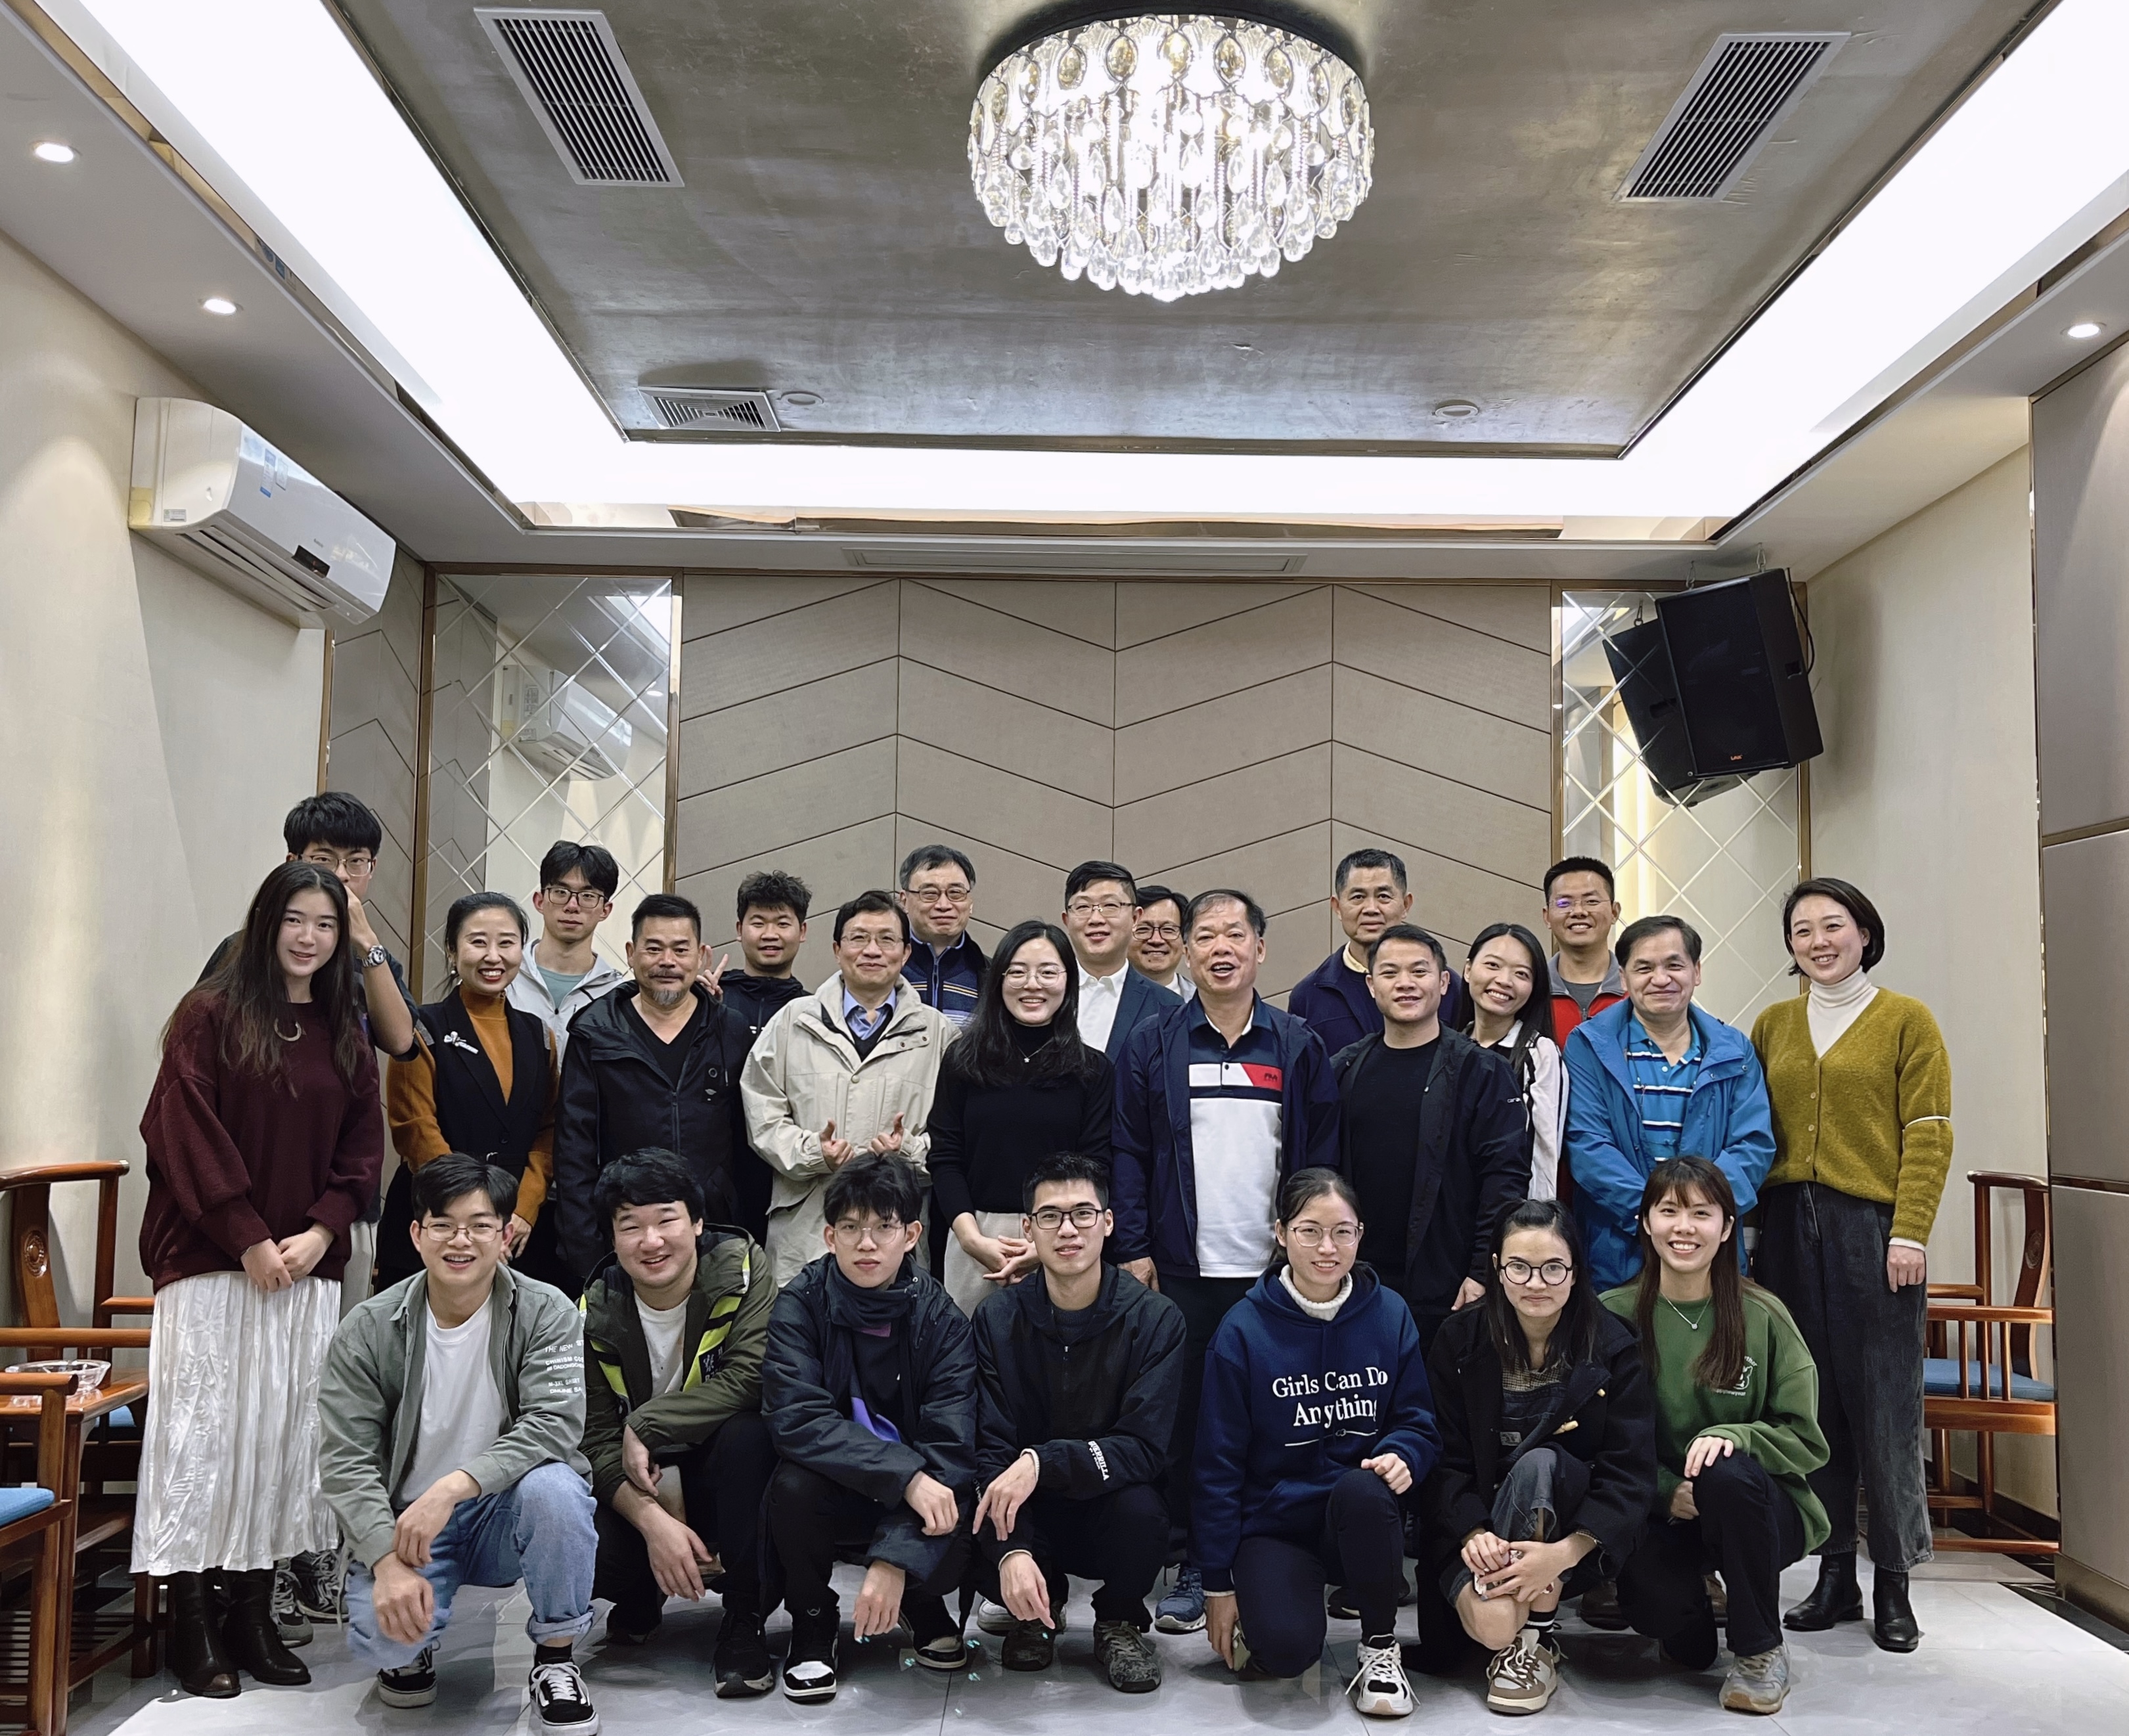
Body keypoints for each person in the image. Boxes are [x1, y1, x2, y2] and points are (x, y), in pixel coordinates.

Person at [137, 860, 386, 1699]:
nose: (309, 938)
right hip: (210, 1263)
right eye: (295, 920)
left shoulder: (344, 1030)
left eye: (326, 924)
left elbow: (362, 1150)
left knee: (279, 1443)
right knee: (204, 1441)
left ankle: (251, 1614)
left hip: (306, 1269)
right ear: (266, 922)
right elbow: (181, 1130)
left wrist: (322, 1230)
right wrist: (246, 1235)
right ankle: (193, 1625)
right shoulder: (208, 1014)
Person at [1110, 887, 1342, 1635]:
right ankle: (1193, 1564)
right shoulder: (1153, 1043)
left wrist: (1310, 1250)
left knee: (1273, 1418)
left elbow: (1318, 1160)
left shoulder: (1297, 1044)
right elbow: (1128, 1152)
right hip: (1180, 1271)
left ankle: (1267, 1552)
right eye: (1205, 935)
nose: (1220, 947)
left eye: (1234, 935)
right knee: (1186, 1422)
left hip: (1271, 1273)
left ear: (1260, 949)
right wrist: (1134, 1247)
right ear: (1186, 951)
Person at [321, 1156, 600, 1732]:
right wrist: (384, 1559)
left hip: (502, 1509)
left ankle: (555, 1658)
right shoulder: (368, 1328)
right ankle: (414, 1643)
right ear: (416, 1234)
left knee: (557, 1490)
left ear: (506, 1234)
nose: (460, 1240)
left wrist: (453, 1486)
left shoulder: (546, 1310)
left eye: (478, 1224)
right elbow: (347, 1460)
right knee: (387, 1643)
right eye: (443, 1224)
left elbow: (554, 1423)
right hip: (412, 1524)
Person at [1750, 878, 1950, 1654]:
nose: (1818, 941)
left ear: (1864, 933)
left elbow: (1928, 1130)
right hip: (1784, 1228)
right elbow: (1754, 1128)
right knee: (1812, 1405)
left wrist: (1910, 1232)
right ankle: (1833, 1574)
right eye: (1801, 930)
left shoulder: (1906, 1020)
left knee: (1884, 1405)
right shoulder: (1773, 1024)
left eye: (1832, 925)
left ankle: (1894, 1580)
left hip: (1873, 1230)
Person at [1194, 1169, 1438, 1719]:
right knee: (1285, 1652)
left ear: (1359, 1235)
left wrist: (1405, 1452)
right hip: (1276, 1522)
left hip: (1359, 1517)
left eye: (1342, 1232)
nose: (1327, 1247)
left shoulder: (1389, 1313)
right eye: (1309, 1230)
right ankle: (1276, 1611)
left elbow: (1418, 1420)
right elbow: (1217, 1464)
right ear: (1281, 1233)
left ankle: (1379, 1647)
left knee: (1364, 1488)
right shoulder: (1242, 1329)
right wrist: (1217, 1583)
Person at [1604, 1157, 1829, 1718]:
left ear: (1727, 1227)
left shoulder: (1763, 1314)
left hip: (1756, 1505)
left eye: (1701, 1213)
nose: (1684, 1227)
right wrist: (1665, 1490)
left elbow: (1805, 1438)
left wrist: (1736, 1436)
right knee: (1678, 1638)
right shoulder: (1612, 1316)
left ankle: (1759, 1649)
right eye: (1669, 1211)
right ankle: (1695, 1599)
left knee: (1723, 1470)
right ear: (1645, 1222)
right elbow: (1598, 1442)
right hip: (1659, 1512)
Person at [1417, 1199, 1655, 1716]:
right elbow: (1439, 1458)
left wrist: (1565, 1552)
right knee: (1493, 1625)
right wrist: (1471, 1533)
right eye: (1519, 1267)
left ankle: (1536, 1642)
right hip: (1473, 1526)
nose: (1536, 1282)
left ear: (1575, 1271)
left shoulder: (1613, 1345)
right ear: (1497, 1269)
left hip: (1569, 1528)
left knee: (1542, 1462)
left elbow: (1629, 1472)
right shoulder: (1458, 1339)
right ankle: (1515, 1628)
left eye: (1552, 1267)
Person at [761, 1152, 976, 1701]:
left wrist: (894, 1560)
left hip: (914, 1495)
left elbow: (950, 1445)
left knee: (952, 1495)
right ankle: (812, 1621)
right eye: (851, 1227)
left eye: (884, 1227)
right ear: (829, 1236)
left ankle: (919, 1597)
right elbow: (796, 1418)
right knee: (792, 1484)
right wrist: (905, 1475)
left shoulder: (941, 1319)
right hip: (839, 1482)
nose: (867, 1243)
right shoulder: (799, 1303)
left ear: (911, 1235)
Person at [969, 1151, 1183, 1692]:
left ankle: (1118, 1619)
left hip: (1107, 1502)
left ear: (1107, 1222)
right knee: (977, 1503)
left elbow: (1144, 1447)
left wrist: (1042, 1460)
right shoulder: (996, 1317)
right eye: (1050, 1216)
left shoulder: (1155, 1318)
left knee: (1144, 1509)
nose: (1067, 1230)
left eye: (1083, 1213)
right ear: (1028, 1228)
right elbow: (989, 1446)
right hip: (1027, 1508)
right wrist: (1011, 1551)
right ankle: (1035, 1610)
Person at [579, 1149, 777, 1696]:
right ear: (612, 1238)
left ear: (697, 1222)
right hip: (645, 1483)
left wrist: (646, 1423)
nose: (651, 1241)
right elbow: (593, 1437)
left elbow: (753, 1376)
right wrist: (653, 1524)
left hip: (720, 1471)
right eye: (630, 1226)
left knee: (750, 1435)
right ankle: (640, 1590)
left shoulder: (741, 1269)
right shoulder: (594, 1310)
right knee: (585, 1538)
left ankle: (745, 1618)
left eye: (666, 1219)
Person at [1330, 924, 1527, 1352]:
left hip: (1451, 1286)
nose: (1405, 983)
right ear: (1371, 985)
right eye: (1390, 973)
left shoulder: (1483, 1072)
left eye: (1419, 971)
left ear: (1443, 983)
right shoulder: (1342, 1069)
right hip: (1357, 1282)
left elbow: (1504, 1179)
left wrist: (1482, 1271)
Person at [742, 891, 952, 1285]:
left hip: (896, 1233)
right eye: (858, 938)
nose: (872, 950)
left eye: (887, 939)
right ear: (837, 949)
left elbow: (956, 1137)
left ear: (906, 953)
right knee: (803, 1320)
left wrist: (908, 1150)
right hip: (807, 1229)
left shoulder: (938, 1034)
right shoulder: (792, 1022)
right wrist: (814, 1152)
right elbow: (761, 1114)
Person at [552, 893, 753, 1291]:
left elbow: (748, 1147)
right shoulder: (595, 1031)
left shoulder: (730, 1030)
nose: (667, 961)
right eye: (654, 948)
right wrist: (587, 1251)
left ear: (702, 956)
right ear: (631, 953)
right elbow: (573, 1150)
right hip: (624, 1235)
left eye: (681, 949)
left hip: (714, 1234)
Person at [1563, 916, 1775, 1292]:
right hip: (1619, 1248)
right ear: (1623, 978)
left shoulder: (1735, 1050)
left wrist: (1695, 1218)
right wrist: (1654, 1217)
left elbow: (1753, 1145)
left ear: (1697, 972)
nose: (1660, 979)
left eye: (1674, 965)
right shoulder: (1589, 1045)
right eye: (1644, 968)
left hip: (1711, 1251)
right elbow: (1588, 1145)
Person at [927, 920, 1113, 1316]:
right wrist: (971, 1238)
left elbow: (1097, 1165)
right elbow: (944, 1156)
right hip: (975, 1234)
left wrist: (1044, 1244)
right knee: (968, 1347)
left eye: (1048, 972)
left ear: (1068, 981)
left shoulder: (1093, 1070)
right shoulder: (963, 1060)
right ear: (998, 980)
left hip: (1065, 1234)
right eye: (1017, 972)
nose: (1032, 984)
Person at [380, 893, 560, 1290]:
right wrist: (475, 1221)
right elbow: (416, 1130)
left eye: (507, 943)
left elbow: (549, 1131)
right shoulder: (420, 1028)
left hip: (517, 1230)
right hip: (435, 1220)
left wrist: (523, 1209)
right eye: (478, 942)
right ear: (451, 949)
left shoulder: (539, 1036)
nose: (493, 956)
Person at [714, 870, 817, 1239]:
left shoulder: (814, 1011)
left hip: (785, 1173)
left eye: (782, 923)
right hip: (719, 1171)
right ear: (739, 929)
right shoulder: (710, 998)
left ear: (802, 931)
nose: (770, 934)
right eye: (758, 923)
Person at [1290, 848, 1467, 1056]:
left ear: (1406, 905)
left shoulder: (1445, 987)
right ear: (1337, 907)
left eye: (1383, 896)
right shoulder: (1309, 995)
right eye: (1358, 897)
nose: (1371, 909)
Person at [1462, 922, 1568, 1199]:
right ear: (1468, 969)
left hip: (1511, 1213)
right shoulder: (1451, 1046)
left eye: (1521, 974)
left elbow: (1543, 1156)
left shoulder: (1540, 1053)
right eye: (1493, 965)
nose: (1504, 981)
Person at [506, 841, 628, 1057]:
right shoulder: (505, 978)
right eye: (561, 892)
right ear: (540, 901)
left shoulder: (617, 996)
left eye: (588, 896)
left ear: (605, 910)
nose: (572, 906)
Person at [1061, 860, 1178, 1059]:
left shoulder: (1168, 1006)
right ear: (1067, 920)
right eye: (1083, 907)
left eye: (1110, 906)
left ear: (1135, 918)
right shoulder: (1041, 992)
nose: (1096, 919)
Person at [897, 843, 986, 1027]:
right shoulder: (885, 968)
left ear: (970, 903)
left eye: (956, 893)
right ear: (904, 901)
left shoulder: (990, 975)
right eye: (930, 894)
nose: (944, 905)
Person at [1539, 857, 1624, 1046]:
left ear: (1614, 912)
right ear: (1547, 917)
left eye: (1591, 901)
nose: (1578, 911)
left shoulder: (1639, 990)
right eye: (1564, 903)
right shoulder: (1530, 992)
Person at [1127, 883, 1193, 999]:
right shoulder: (1098, 999)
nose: (1156, 940)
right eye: (1143, 929)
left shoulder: (1209, 1004)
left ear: (1184, 943)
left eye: (1168, 930)